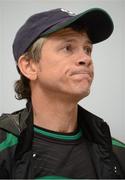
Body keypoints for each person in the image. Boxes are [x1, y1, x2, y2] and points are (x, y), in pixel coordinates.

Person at [0, 7, 125, 179]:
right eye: (68, 47)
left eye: (87, 49)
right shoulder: (3, 146)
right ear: (29, 66)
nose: (86, 59)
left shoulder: (117, 153)